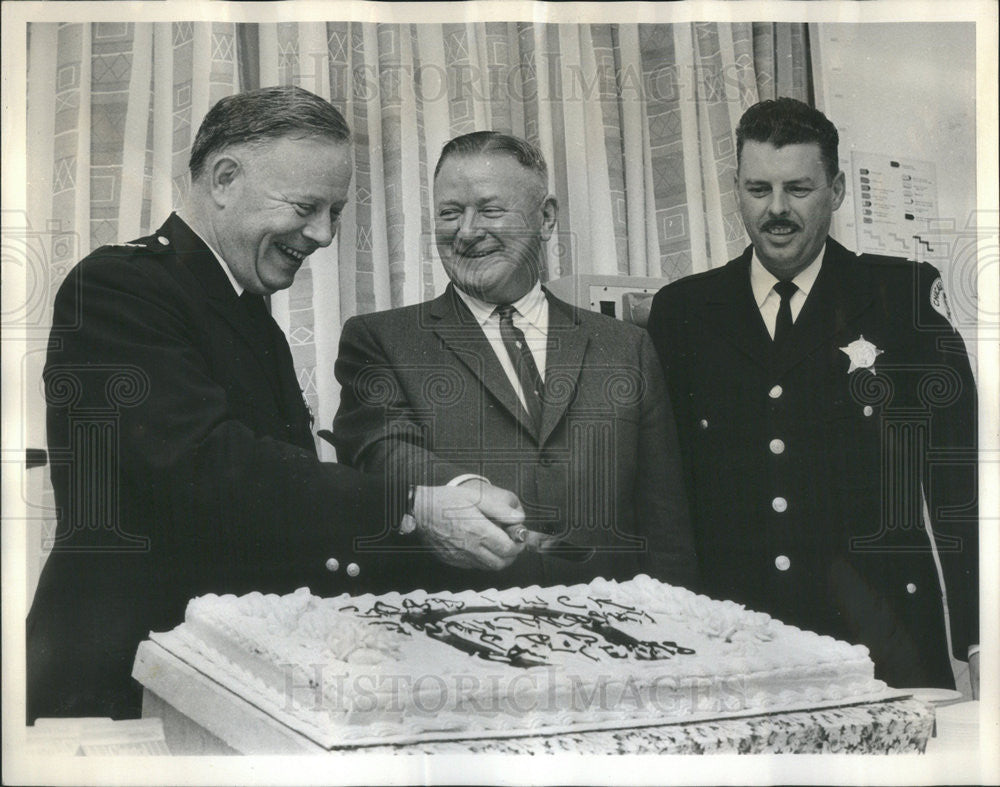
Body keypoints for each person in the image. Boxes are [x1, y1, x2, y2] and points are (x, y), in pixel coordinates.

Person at [28, 87, 528, 722]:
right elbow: (207, 468)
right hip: (123, 677)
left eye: (336, 211)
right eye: (307, 207)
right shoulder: (119, 286)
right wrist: (414, 507)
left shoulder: (240, 307)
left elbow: (278, 501)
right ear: (224, 179)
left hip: (209, 666)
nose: (322, 234)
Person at [646, 98, 978, 692]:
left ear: (838, 189)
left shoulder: (902, 300)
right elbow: (663, 493)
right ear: (737, 189)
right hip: (736, 643)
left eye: (798, 188)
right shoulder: (684, 312)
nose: (776, 210)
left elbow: (960, 486)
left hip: (882, 640)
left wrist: (979, 638)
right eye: (758, 189)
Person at [332, 131, 697, 593]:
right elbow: (384, 450)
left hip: (611, 647)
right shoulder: (381, 339)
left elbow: (666, 527)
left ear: (546, 218)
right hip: (460, 641)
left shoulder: (625, 347)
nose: (466, 231)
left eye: (489, 209)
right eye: (449, 213)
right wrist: (461, 489)